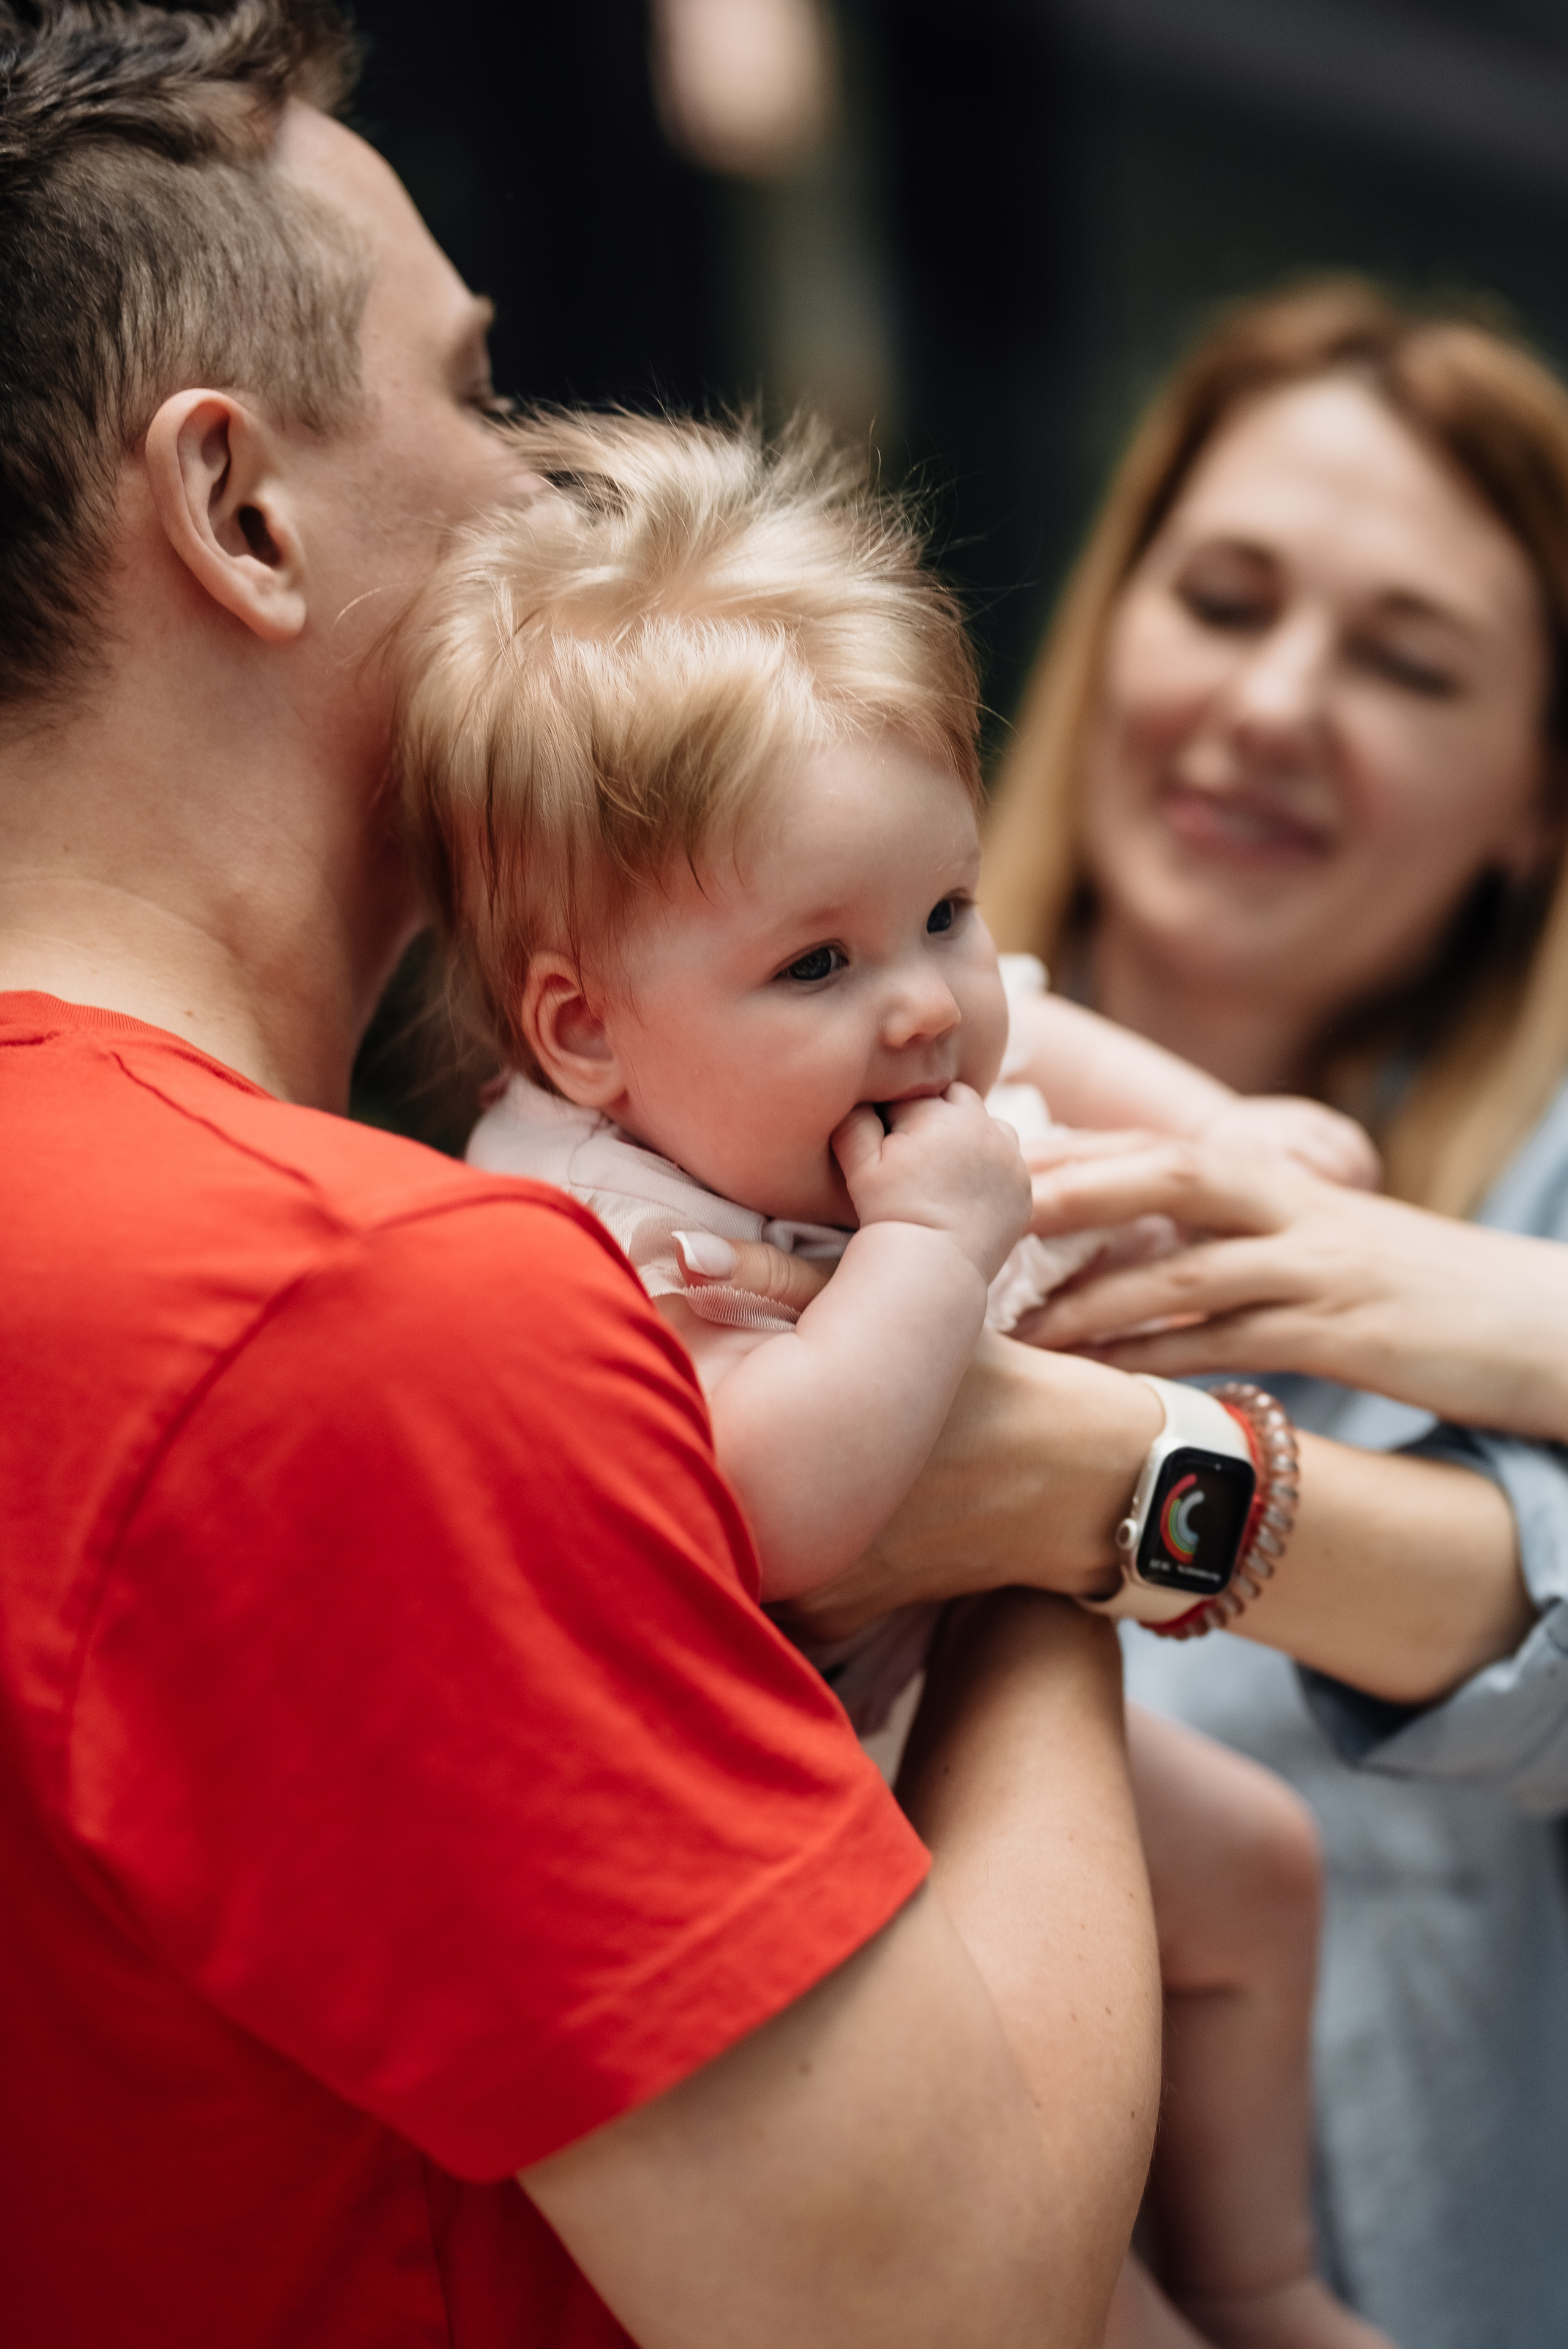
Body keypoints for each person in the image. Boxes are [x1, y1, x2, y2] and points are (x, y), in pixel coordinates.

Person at [0, 6, 1167, 2343]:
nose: (540, 494)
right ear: (239, 512)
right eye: (471, 398)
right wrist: (1055, 1519)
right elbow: (949, 2303)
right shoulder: (347, 1305)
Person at [395, 408, 1392, 2347]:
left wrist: (1251, 1148)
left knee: (1261, 1866)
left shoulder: (884, 1060)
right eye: (820, 960)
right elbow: (791, 1498)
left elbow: (1063, 1042)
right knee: (1050, 2250)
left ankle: (1267, 2267)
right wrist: (938, 1258)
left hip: (938, 1702)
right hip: (788, 1823)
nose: (927, 996)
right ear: (584, 1029)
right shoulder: (597, 1233)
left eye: (944, 907)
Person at [971, 281, 1568, 2347]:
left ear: (1537, 797)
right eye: (1225, 600)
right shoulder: (792, 1048)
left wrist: (1106, 1478)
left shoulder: (1537, 1177)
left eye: (1407, 663)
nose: (1278, 702)